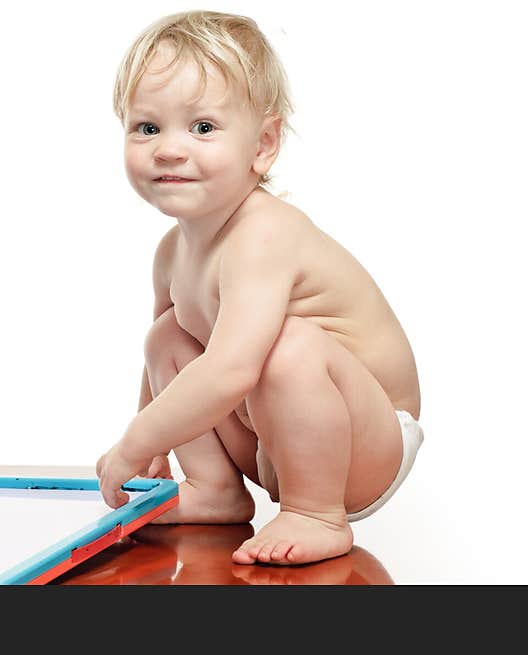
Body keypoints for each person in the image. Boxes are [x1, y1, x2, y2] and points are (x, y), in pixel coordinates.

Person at [95, 10, 423, 565]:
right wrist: (153, 451)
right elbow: (163, 376)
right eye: (147, 127)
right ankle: (216, 489)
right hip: (273, 431)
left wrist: (135, 442)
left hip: (365, 440)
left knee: (284, 344)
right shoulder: (172, 253)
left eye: (202, 128)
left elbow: (231, 370)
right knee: (166, 336)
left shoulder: (264, 233)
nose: (169, 149)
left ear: (264, 145)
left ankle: (317, 513)